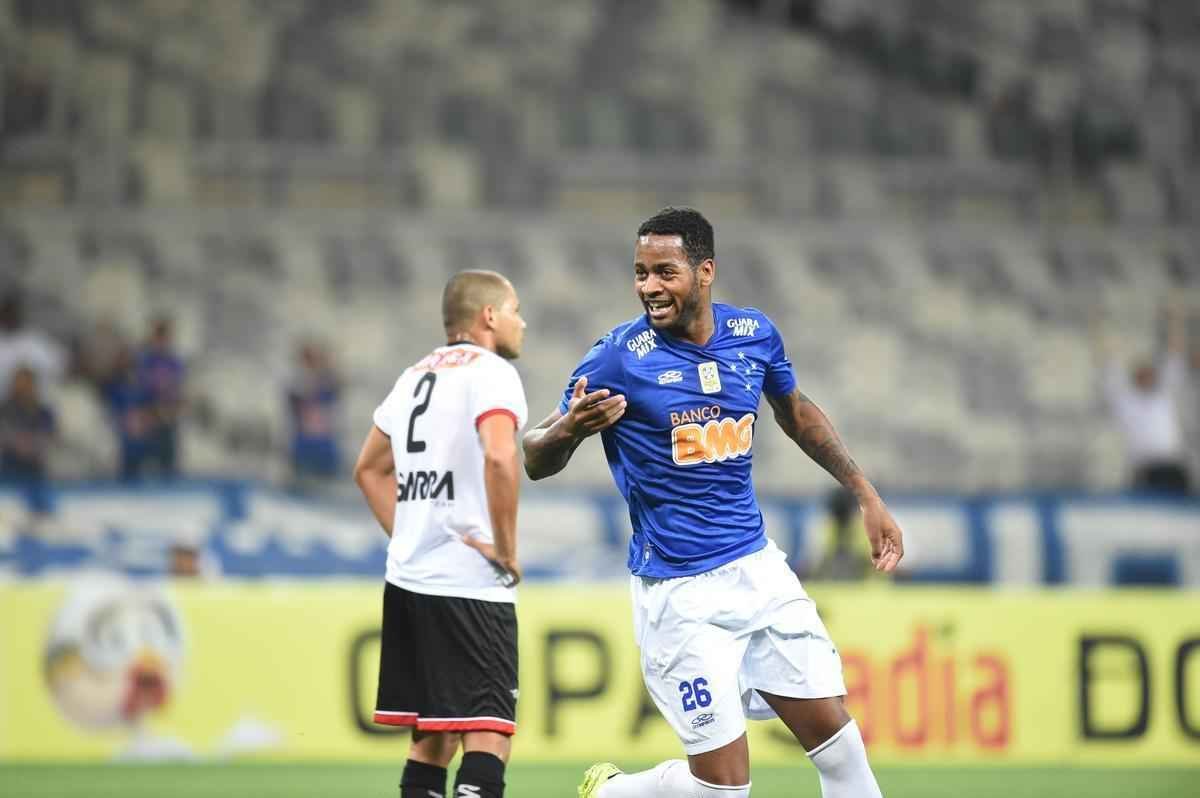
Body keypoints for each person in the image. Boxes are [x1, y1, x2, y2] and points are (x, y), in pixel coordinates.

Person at [522, 208, 903, 798]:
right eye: (641, 272)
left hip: (758, 573)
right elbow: (533, 455)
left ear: (705, 272)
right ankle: (613, 792)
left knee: (842, 750)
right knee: (724, 790)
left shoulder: (753, 336)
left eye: (664, 272)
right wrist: (569, 429)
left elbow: (797, 414)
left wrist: (865, 492)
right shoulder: (619, 356)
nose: (649, 287)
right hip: (679, 594)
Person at [353, 270, 528, 798]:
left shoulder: (413, 376)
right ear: (489, 317)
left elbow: (369, 470)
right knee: (488, 731)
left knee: (432, 738)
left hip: (409, 581)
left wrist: (409, 535)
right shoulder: (490, 372)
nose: (523, 321)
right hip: (468, 583)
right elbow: (500, 455)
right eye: (515, 309)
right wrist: (505, 547)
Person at [1093, 303, 1191, 494]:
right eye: (1142, 372)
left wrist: (1175, 319)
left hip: (1172, 464)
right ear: (1134, 376)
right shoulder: (1125, 398)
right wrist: (1101, 322)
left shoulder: (1164, 393)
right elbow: (1106, 360)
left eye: (1150, 371)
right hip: (1144, 467)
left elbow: (1175, 353)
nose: (1147, 375)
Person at [286, 341, 343, 486]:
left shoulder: (328, 385)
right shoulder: (296, 386)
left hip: (325, 451)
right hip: (303, 450)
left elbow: (337, 386)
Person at [0, 364, 56, 483]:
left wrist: (31, 444)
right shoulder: (5, 409)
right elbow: (5, 435)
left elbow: (49, 435)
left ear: (33, 385)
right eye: (19, 384)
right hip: (9, 468)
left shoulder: (43, 411)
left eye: (26, 384)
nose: (23, 388)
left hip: (37, 470)